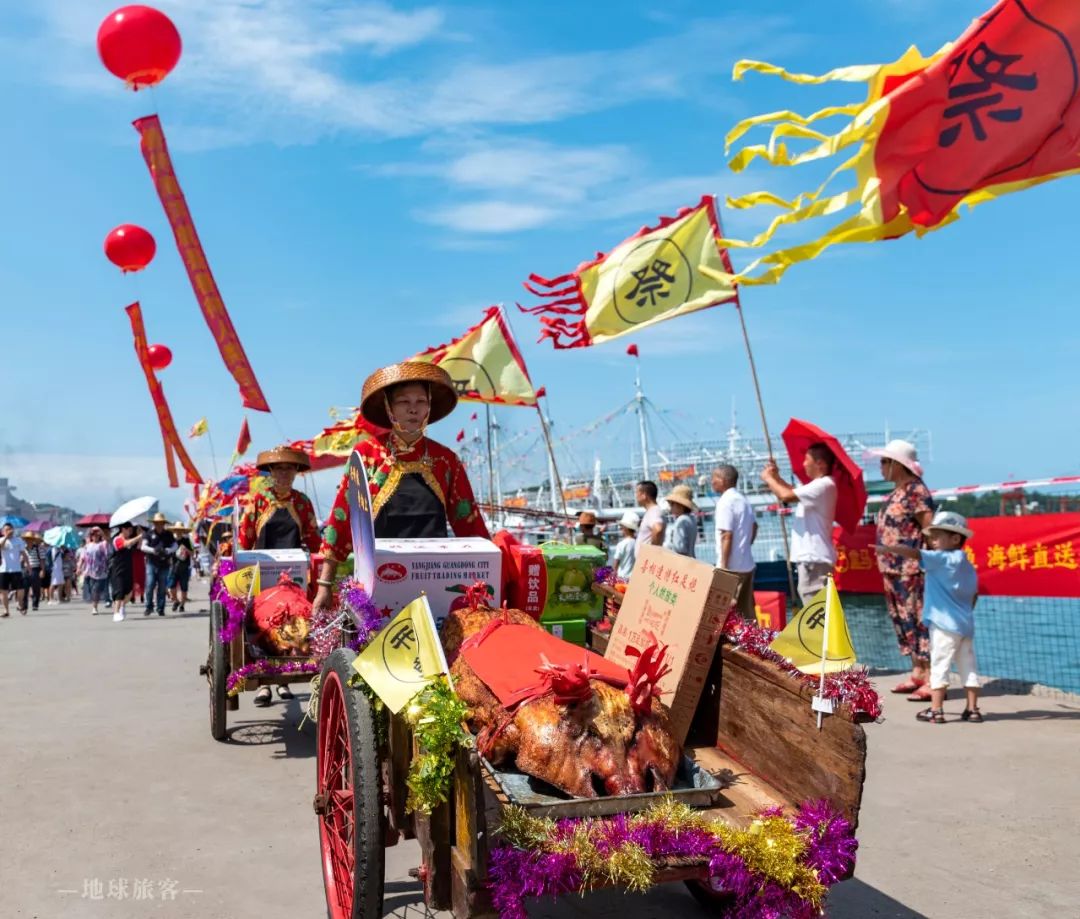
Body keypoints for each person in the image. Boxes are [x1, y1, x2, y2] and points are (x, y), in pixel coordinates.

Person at [314, 362, 489, 615]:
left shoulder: (445, 460)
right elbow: (340, 523)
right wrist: (324, 586)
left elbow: (470, 527)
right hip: (378, 585)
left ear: (429, 406)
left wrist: (486, 579)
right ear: (389, 407)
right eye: (404, 402)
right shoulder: (366, 456)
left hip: (435, 584)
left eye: (421, 401)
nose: (413, 409)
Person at [873, 511, 979, 724]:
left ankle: (936, 710)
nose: (931, 540)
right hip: (965, 625)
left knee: (939, 666)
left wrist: (888, 549)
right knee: (969, 668)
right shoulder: (967, 565)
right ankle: (973, 709)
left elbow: (914, 554)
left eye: (937, 536)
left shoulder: (940, 559)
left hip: (942, 625)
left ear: (955, 538)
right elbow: (974, 595)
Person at [237, 446, 321, 707]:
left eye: (290, 468)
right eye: (279, 468)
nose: (285, 473)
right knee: (263, 624)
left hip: (293, 576)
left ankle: (283, 680)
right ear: (271, 471)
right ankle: (265, 686)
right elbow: (244, 538)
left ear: (296, 472)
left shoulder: (303, 502)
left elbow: (314, 540)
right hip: (263, 574)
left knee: (292, 621)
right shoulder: (257, 500)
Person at [868, 439, 936, 701]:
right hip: (891, 569)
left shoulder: (916, 491)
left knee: (918, 620)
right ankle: (917, 671)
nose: (881, 466)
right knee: (903, 621)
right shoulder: (897, 492)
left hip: (911, 569)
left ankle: (931, 676)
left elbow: (928, 528)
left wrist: (932, 562)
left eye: (885, 461)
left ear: (898, 464)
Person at [761, 444, 838, 606]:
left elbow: (786, 495)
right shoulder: (821, 485)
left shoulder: (823, 485)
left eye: (807, 459)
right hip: (814, 561)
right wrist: (776, 477)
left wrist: (768, 479)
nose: (804, 464)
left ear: (820, 463)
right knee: (816, 611)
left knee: (815, 613)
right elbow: (791, 490)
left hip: (813, 560)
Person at [712, 464, 758, 620]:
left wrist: (724, 567)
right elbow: (754, 526)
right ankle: (754, 643)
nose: (712, 482)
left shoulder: (725, 501)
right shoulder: (743, 500)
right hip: (747, 564)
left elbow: (726, 535)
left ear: (723, 480)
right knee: (747, 613)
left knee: (725, 614)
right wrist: (745, 545)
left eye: (715, 478)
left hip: (731, 567)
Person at [142, 512, 176, 617]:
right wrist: (153, 550)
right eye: (157, 523)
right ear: (154, 523)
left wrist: (168, 550)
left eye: (161, 523)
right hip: (151, 563)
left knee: (162, 587)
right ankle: (149, 606)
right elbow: (143, 546)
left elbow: (175, 545)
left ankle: (160, 608)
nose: (159, 525)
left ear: (163, 523)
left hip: (164, 564)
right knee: (150, 584)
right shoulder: (148, 533)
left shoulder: (168, 534)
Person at [109, 523, 143, 622]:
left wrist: (139, 536)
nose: (130, 531)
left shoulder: (130, 539)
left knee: (128, 592)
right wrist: (139, 536)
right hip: (117, 570)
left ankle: (122, 607)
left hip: (128, 569)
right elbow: (126, 544)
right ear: (123, 529)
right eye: (129, 529)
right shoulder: (117, 539)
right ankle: (115, 613)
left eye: (131, 529)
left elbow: (138, 547)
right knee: (119, 591)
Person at [80, 527, 110, 616]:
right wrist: (79, 568)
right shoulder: (87, 545)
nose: (95, 536)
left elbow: (108, 540)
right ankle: (95, 603)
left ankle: (95, 607)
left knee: (96, 589)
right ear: (91, 536)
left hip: (100, 571)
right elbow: (82, 557)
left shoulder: (102, 544)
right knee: (91, 590)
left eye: (97, 535)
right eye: (93, 535)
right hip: (89, 571)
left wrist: (102, 531)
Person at [662, 485, 698, 558]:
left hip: (682, 563)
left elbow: (680, 548)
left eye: (672, 504)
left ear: (680, 505)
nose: (670, 508)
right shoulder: (691, 519)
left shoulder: (681, 520)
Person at [168, 522, 196, 613]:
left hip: (184, 567)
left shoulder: (187, 540)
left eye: (180, 530)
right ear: (175, 530)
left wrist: (186, 549)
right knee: (171, 586)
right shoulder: (171, 540)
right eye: (177, 529)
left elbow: (193, 553)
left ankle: (182, 605)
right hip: (173, 566)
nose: (179, 531)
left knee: (184, 587)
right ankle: (176, 601)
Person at [0, 523, 27, 616]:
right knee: (3, 591)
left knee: (21, 589)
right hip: (4, 569)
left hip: (16, 569)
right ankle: (6, 610)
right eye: (6, 529)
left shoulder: (18, 540)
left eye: (10, 529)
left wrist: (28, 564)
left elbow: (23, 553)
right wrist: (6, 538)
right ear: (3, 531)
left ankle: (20, 604)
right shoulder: (1, 540)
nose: (9, 531)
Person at [634, 480, 665, 550]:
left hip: (648, 559)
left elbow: (658, 529)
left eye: (637, 493)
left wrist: (652, 552)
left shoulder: (654, 511)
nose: (636, 496)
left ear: (644, 495)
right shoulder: (653, 511)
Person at [22, 532, 49, 612]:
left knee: (36, 588)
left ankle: (35, 604)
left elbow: (42, 560)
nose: (28, 540)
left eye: (30, 539)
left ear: (33, 540)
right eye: (27, 539)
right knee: (25, 589)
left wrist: (42, 570)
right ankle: (24, 605)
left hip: (35, 569)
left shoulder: (38, 548)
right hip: (26, 570)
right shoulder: (23, 548)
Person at [612, 511, 639, 579]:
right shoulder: (638, 543)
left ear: (625, 528)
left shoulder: (621, 544)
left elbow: (616, 563)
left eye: (621, 526)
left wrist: (613, 575)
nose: (620, 528)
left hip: (622, 577)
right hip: (634, 578)